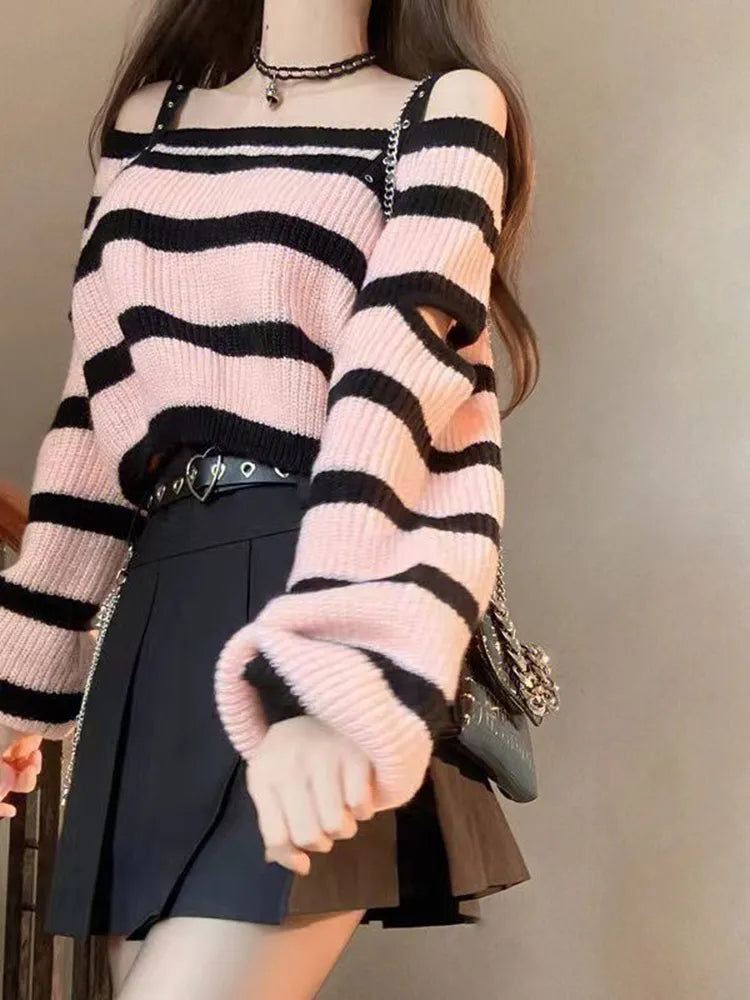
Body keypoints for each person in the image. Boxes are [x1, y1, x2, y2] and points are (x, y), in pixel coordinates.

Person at [0, 0, 541, 995]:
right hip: (164, 616)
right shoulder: (150, 121)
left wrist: (326, 671)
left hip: (324, 575)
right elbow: (95, 413)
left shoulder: (447, 110)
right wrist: (15, 689)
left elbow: (398, 391)